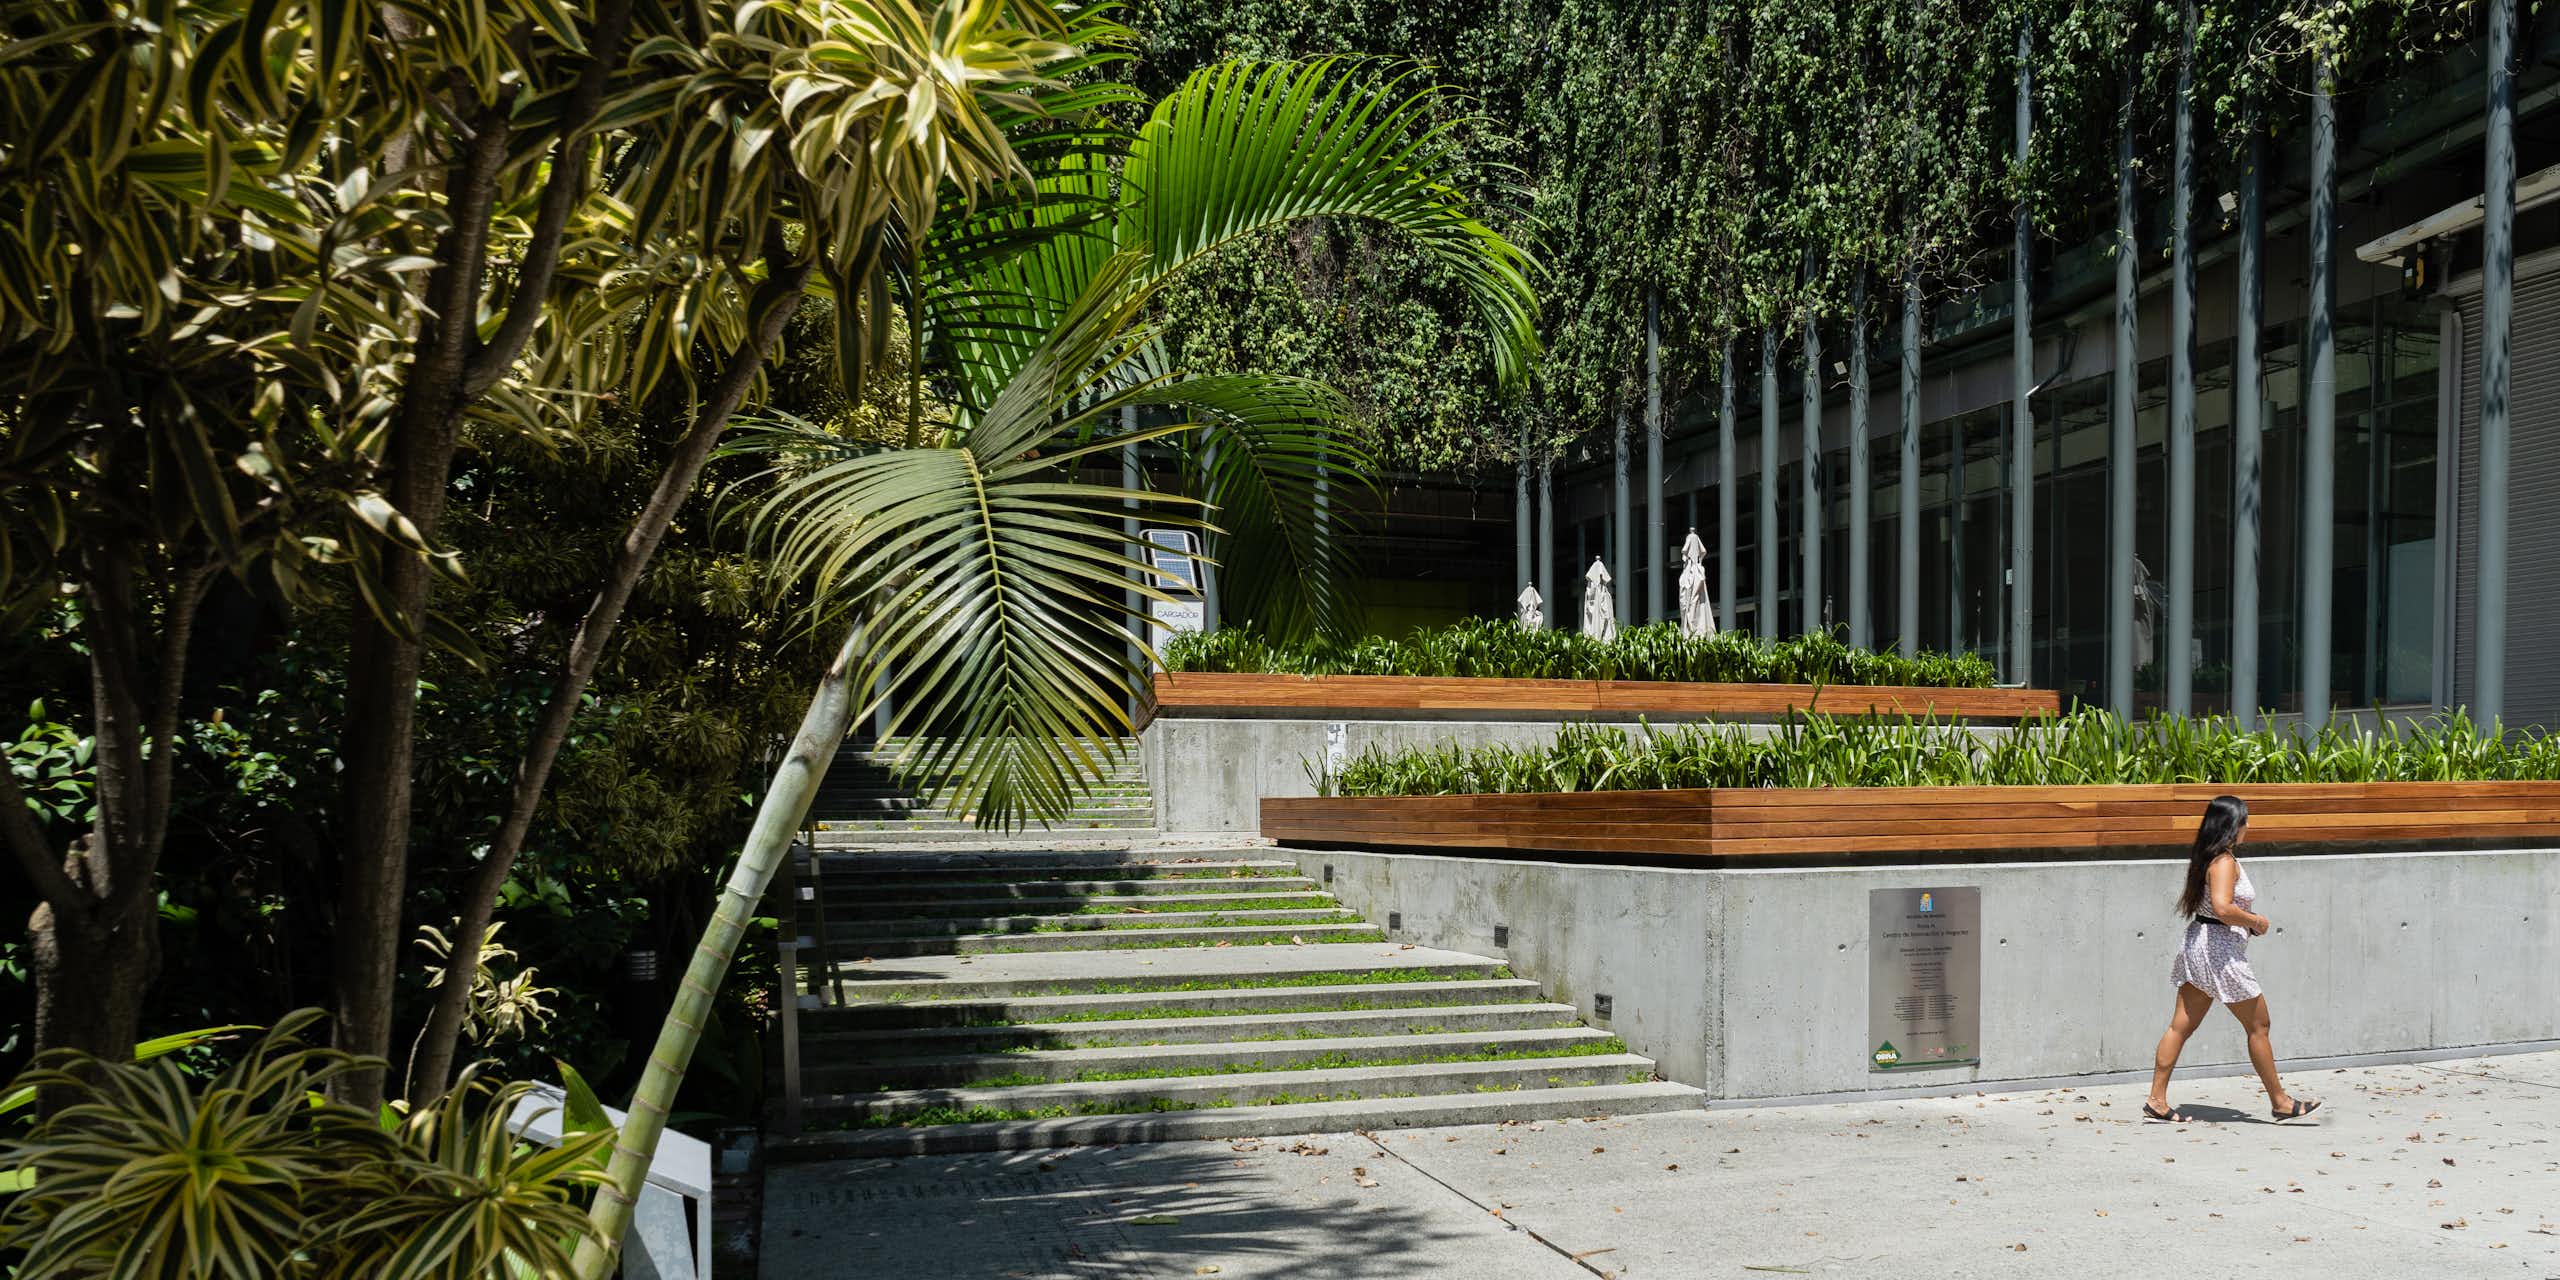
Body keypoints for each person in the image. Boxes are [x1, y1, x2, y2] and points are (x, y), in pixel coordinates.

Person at [2145, 795, 2322, 1123]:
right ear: (2230, 826)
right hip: (2220, 953)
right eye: (2244, 821)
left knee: (2180, 1026)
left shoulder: (2208, 858)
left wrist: (2244, 923)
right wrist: (2255, 921)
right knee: (2259, 1025)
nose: (2248, 826)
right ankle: (2281, 1102)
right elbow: (2224, 908)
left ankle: (2156, 1099)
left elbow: (2216, 908)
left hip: (2200, 944)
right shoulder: (2224, 862)